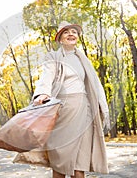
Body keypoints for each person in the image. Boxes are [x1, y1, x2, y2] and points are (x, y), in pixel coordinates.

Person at [30, 21, 110, 178]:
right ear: (60, 39)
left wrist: (102, 108)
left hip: (84, 112)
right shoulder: (53, 57)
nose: (71, 34)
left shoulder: (83, 60)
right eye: (66, 32)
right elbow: (47, 76)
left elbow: (96, 84)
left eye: (74, 31)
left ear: (78, 37)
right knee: (60, 163)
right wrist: (42, 93)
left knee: (79, 167)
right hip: (64, 111)